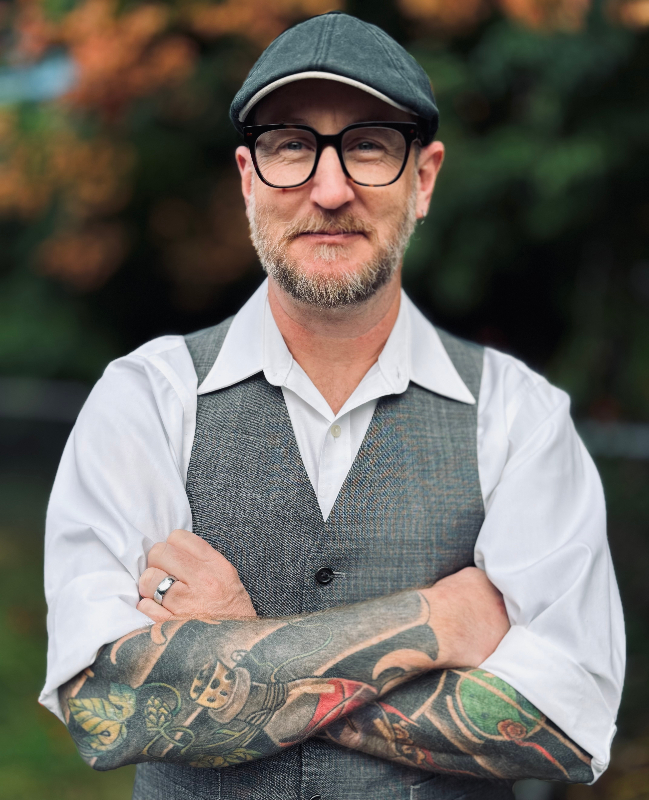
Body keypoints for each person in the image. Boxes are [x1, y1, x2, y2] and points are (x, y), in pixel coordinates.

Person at [40, 11, 624, 800]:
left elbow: (564, 724)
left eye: (369, 146)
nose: (329, 189)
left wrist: (235, 652)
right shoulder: (146, 397)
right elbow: (104, 705)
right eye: (290, 146)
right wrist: (436, 622)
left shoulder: (519, 417)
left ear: (423, 179)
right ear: (248, 178)